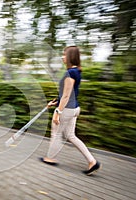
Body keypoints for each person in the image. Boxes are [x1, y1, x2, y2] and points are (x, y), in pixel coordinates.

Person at [40, 46, 101, 176]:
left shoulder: (70, 73)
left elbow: (67, 95)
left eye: (64, 54)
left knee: (56, 134)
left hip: (66, 110)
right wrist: (55, 102)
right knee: (70, 136)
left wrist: (58, 112)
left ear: (70, 57)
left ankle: (50, 158)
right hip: (74, 108)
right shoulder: (76, 72)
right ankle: (92, 161)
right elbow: (68, 94)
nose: (62, 57)